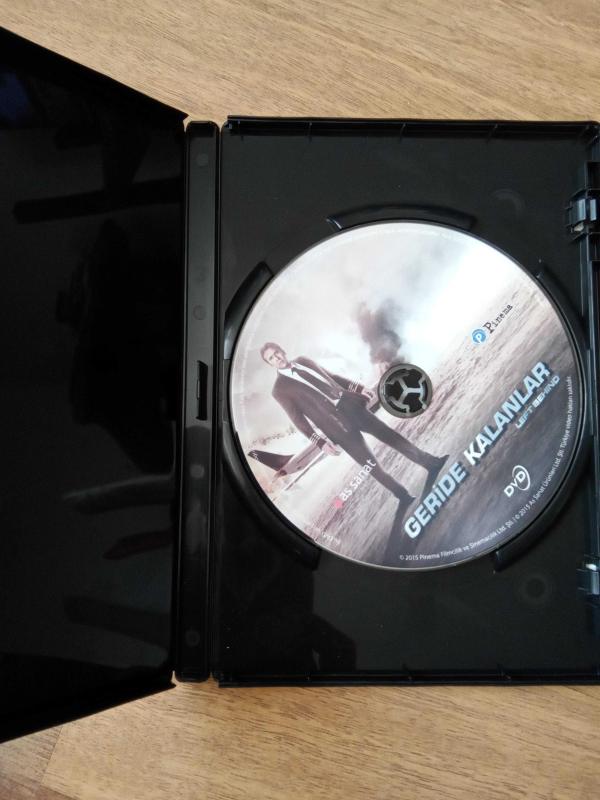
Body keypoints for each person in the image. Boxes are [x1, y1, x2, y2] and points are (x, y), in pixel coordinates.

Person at [260, 342, 447, 514]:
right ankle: (402, 495)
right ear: (269, 364)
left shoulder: (303, 360)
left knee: (390, 436)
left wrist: (358, 388)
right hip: (335, 426)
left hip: (351, 406)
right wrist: (320, 443)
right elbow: (297, 419)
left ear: (282, 351)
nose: (277, 358)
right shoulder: (279, 390)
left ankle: (430, 463)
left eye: (277, 353)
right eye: (271, 358)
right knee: (370, 464)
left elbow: (332, 377)